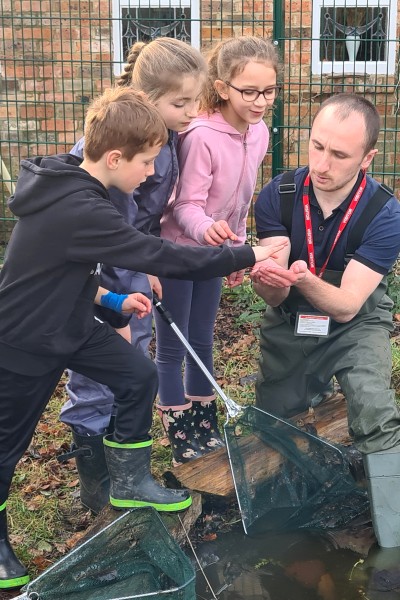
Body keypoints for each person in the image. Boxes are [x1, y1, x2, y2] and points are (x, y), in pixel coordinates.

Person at [0, 86, 286, 589]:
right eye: (147, 162)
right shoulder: (79, 207)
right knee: (7, 446)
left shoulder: (83, 191)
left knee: (136, 375)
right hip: (23, 339)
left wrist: (112, 302)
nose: (152, 173)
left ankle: (131, 482)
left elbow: (63, 273)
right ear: (115, 157)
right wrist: (249, 254)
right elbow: (162, 257)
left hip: (70, 324)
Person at [58, 37, 207, 516]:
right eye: (180, 103)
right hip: (100, 275)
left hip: (128, 263)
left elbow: (139, 221)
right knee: (102, 369)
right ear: (148, 97)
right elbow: (110, 229)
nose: (190, 111)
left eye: (194, 101)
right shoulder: (133, 148)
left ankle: (125, 474)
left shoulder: (160, 137)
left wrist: (147, 266)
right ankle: (99, 486)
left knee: (130, 362)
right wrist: (122, 292)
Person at [251, 93, 400, 548]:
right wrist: (272, 278)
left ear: (368, 157)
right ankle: (282, 525)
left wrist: (303, 275)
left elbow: (348, 305)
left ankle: (393, 539)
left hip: (354, 321)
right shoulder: (279, 195)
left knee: (374, 406)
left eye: (339, 155)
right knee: (275, 414)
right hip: (293, 314)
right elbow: (273, 294)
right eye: (317, 146)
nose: (322, 163)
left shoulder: (385, 213)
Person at [154, 35, 281, 466]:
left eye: (269, 90)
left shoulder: (259, 131)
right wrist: (211, 232)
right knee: (174, 347)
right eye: (249, 91)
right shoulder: (201, 135)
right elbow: (184, 204)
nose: (261, 101)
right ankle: (180, 433)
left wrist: (237, 249)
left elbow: (241, 199)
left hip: (213, 252)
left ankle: (204, 423)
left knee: (203, 339)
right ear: (223, 86)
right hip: (177, 252)